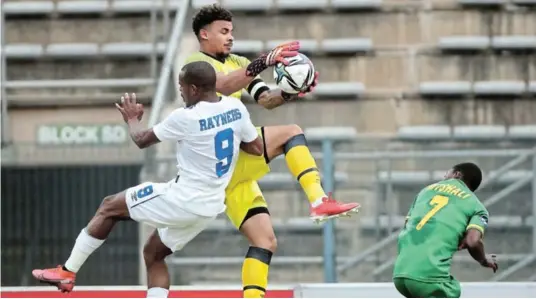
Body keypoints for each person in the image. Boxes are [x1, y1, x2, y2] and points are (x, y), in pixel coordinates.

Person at [32, 61, 264, 297]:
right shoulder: (236, 108)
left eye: (181, 87)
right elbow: (256, 148)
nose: (181, 92)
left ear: (194, 89)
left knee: (109, 206)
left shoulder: (185, 117)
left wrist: (132, 119)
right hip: (210, 206)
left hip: (183, 199)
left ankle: (67, 271)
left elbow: (141, 140)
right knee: (154, 254)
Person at [185, 5, 360, 297]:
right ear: (204, 34)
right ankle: (318, 200)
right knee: (292, 132)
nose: (230, 37)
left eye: (232, 31)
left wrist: (293, 91)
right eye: (223, 31)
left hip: (234, 169)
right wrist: (264, 60)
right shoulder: (195, 63)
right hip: (215, 160)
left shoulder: (237, 61)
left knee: (265, 241)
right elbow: (224, 87)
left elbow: (265, 100)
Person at [393, 162, 498, 298]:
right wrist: (483, 259)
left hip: (400, 274)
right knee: (453, 290)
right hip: (430, 280)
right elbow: (473, 241)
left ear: (457, 174)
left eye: (447, 173)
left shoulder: (425, 191)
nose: (444, 176)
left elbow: (408, 227)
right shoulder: (476, 207)